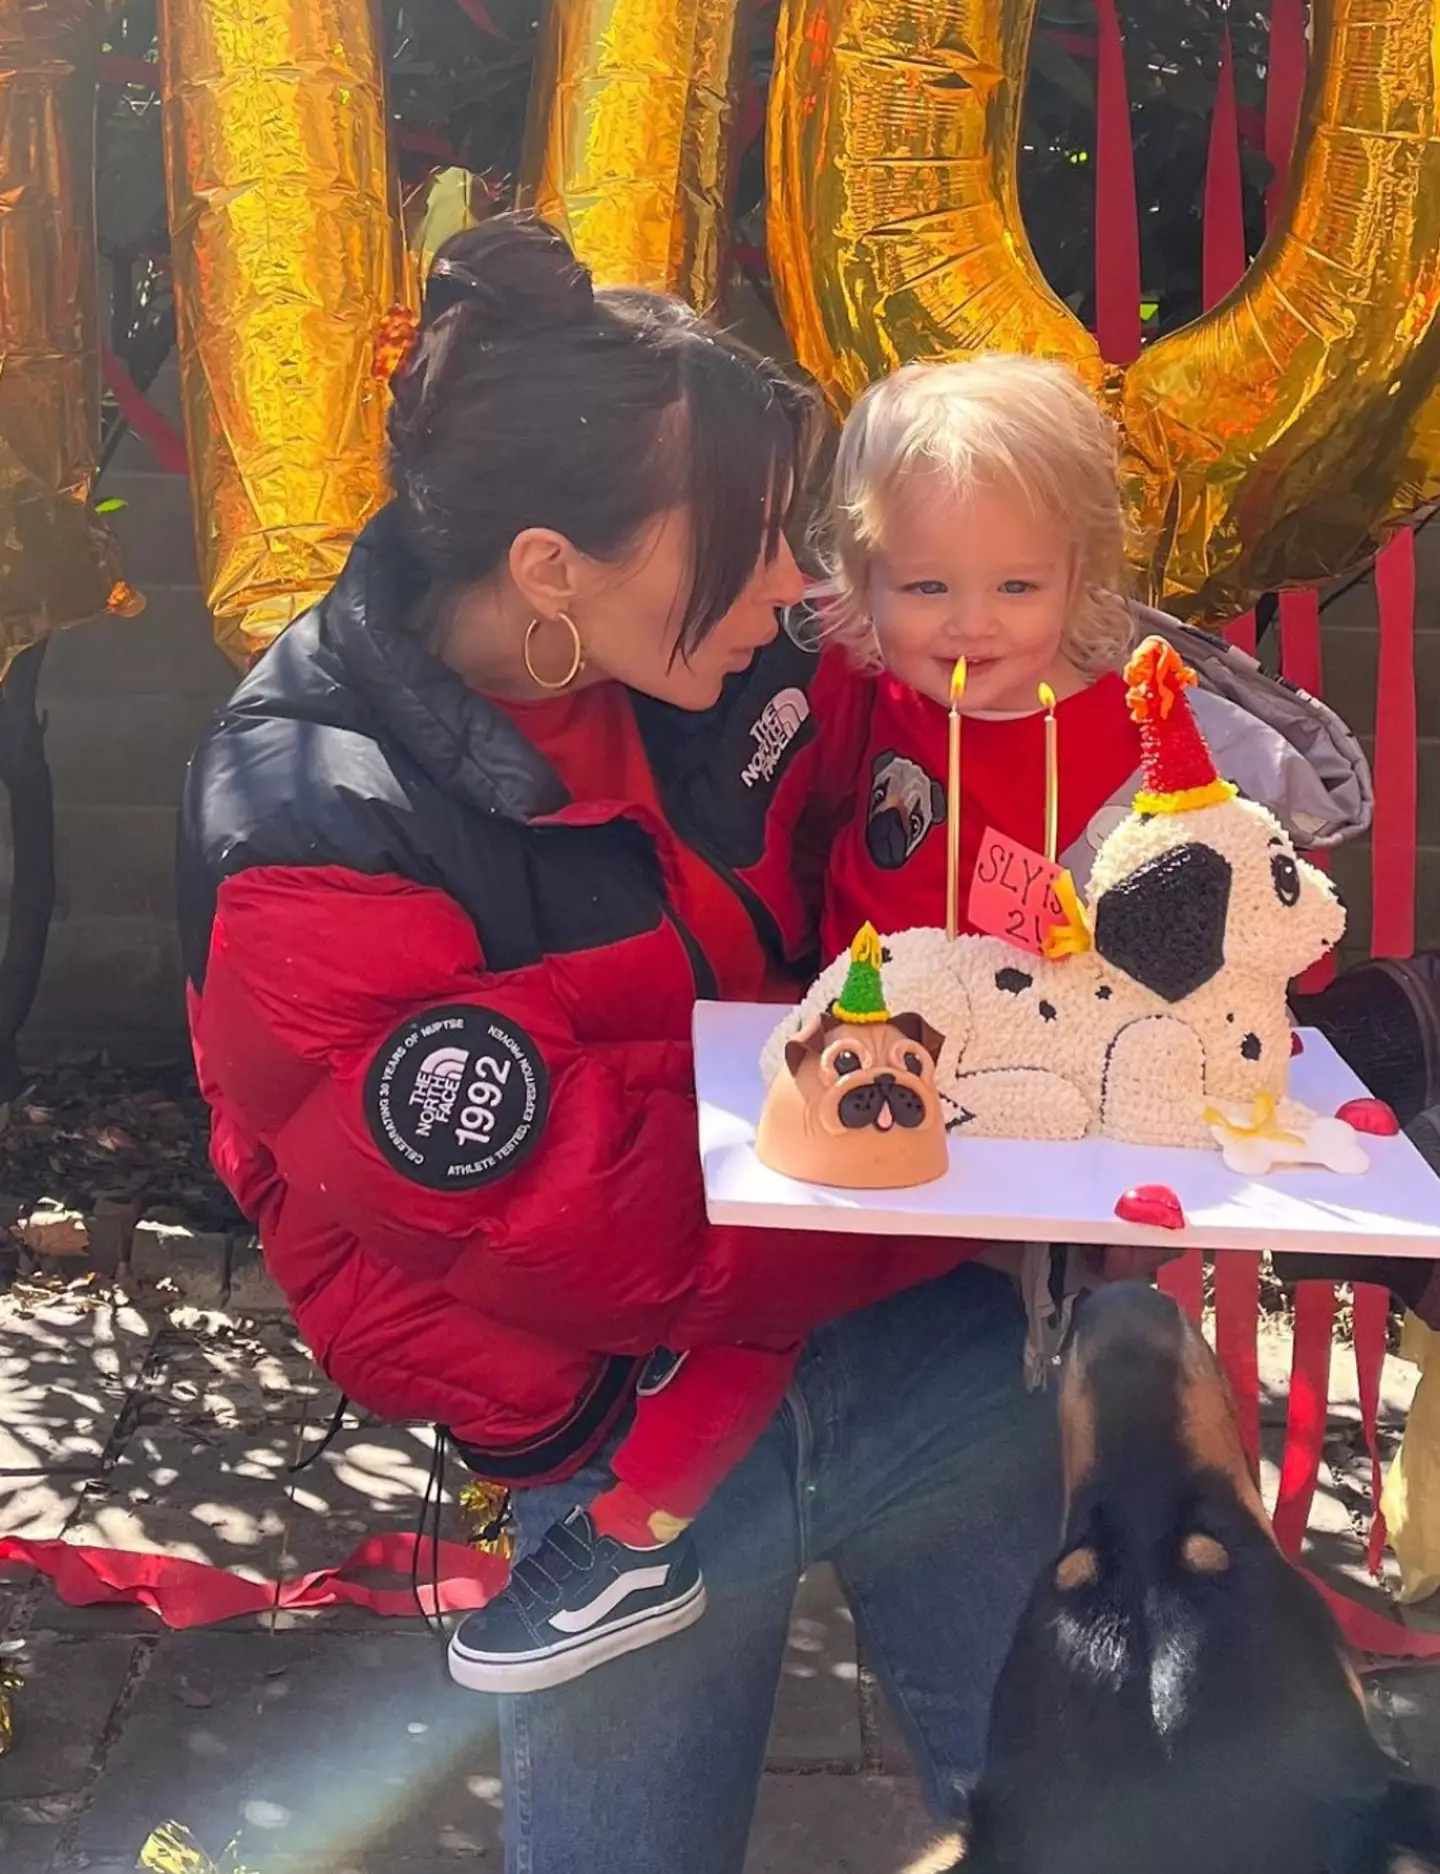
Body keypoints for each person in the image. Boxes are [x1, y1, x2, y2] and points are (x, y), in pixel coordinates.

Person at [176, 213, 1068, 1870]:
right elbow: (607, 1221)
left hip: (906, 1349)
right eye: (747, 541)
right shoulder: (314, 833)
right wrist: (1021, 1174)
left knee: (1089, 1824)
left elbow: (970, 794)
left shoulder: (734, 663)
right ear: (551, 572)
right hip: (625, 1454)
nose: (802, 585)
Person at [804, 355, 1364, 958]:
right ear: (865, 582)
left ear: (1078, 577)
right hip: (858, 1020)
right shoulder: (874, 686)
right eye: (926, 588)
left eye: (1017, 587)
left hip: (1041, 1035)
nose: (970, 626)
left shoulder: (1140, 733)